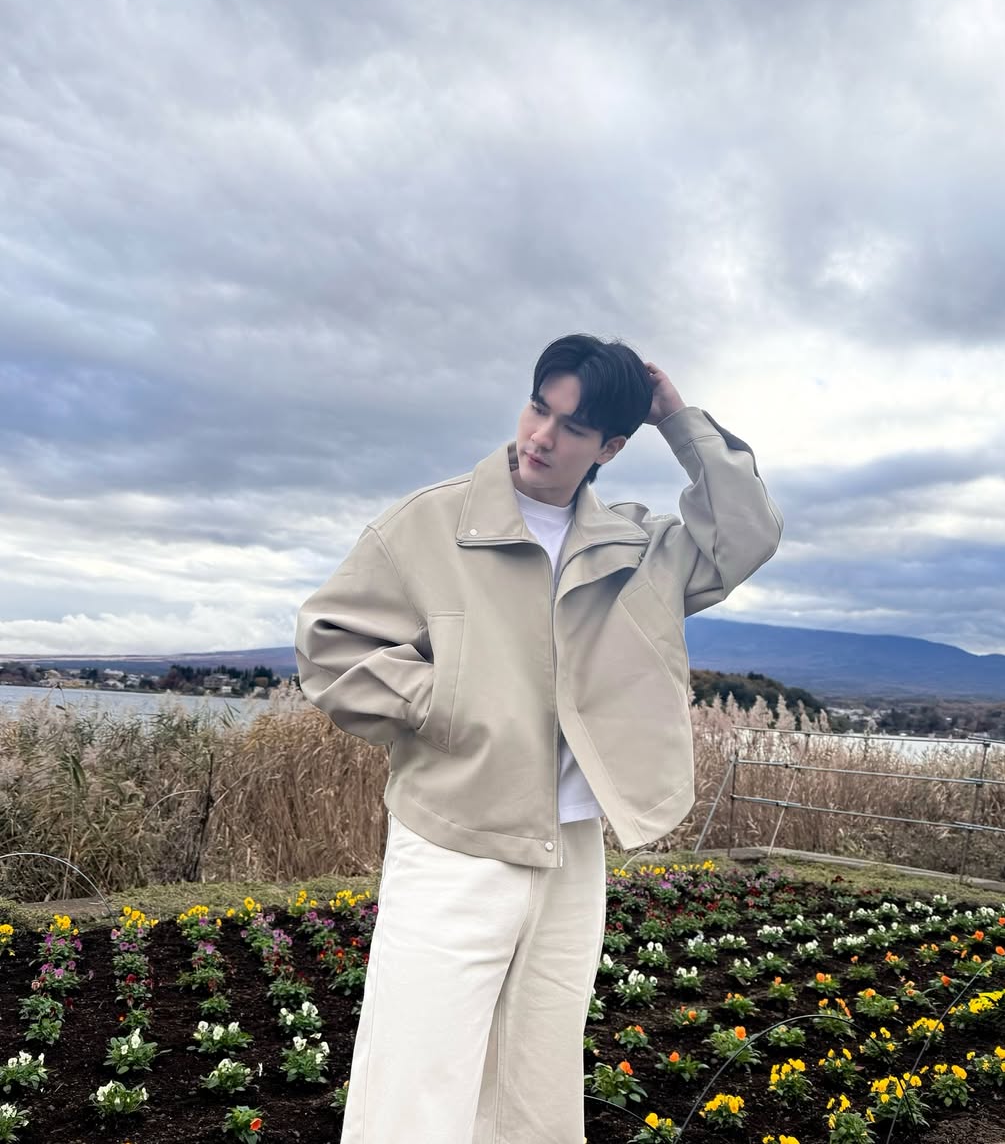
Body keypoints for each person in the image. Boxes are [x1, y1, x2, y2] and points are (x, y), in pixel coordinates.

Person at [294, 332, 783, 1143]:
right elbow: (329, 645)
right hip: (454, 838)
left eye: (573, 426)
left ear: (611, 447)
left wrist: (677, 418)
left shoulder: (637, 548)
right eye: (537, 407)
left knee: (537, 1082)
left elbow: (747, 531)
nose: (541, 436)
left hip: (571, 847)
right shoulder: (430, 523)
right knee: (416, 1078)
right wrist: (447, 701)